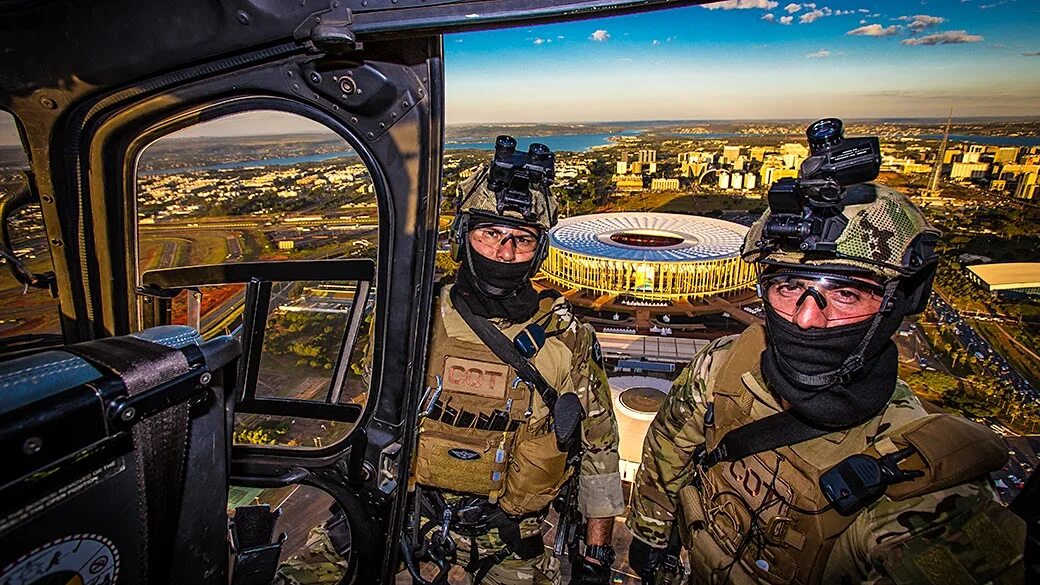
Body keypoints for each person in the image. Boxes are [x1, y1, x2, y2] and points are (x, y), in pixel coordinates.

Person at [626, 130, 1026, 584]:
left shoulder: (927, 486)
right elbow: (666, 452)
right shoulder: (725, 366)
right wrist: (651, 535)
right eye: (789, 287)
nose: (807, 320)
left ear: (898, 303)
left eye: (847, 294)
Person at [402, 136, 623, 585]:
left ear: (539, 250)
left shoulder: (567, 337)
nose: (505, 253)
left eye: (521, 240)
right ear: (463, 238)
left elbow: (599, 448)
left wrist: (596, 554)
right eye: (490, 235)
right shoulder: (414, 319)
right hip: (408, 522)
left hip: (511, 540)